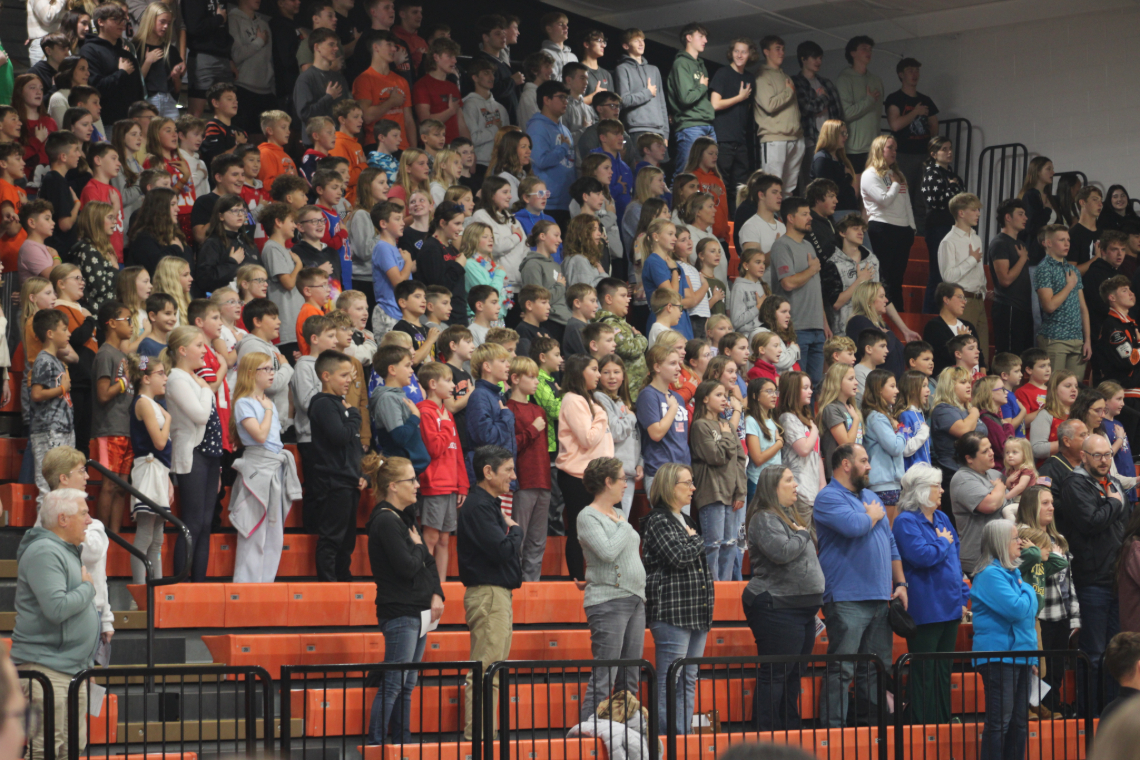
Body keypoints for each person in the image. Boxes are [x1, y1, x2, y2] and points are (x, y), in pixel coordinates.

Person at [813, 444, 907, 728]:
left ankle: (874, 732)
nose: (869, 466)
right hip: (846, 598)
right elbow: (854, 527)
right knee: (842, 669)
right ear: (845, 464)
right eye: (864, 461)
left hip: (880, 597)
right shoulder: (828, 497)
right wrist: (873, 516)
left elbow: (890, 543)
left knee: (877, 669)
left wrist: (900, 582)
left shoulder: (869, 496)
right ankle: (834, 735)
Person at [10, 488, 99, 760]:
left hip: (70, 668)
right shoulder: (44, 552)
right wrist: (88, 588)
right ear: (63, 519)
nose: (89, 520)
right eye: (84, 513)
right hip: (47, 668)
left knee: (71, 747)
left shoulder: (64, 550)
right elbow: (56, 608)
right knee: (46, 748)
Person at [363, 452, 445, 745]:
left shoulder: (404, 517)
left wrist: (437, 592)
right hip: (400, 612)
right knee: (395, 683)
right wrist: (420, 548)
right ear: (393, 486)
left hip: (419, 610)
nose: (417, 485)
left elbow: (428, 563)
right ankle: (376, 746)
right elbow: (408, 566)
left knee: (407, 684)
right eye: (411, 480)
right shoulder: (385, 521)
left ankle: (403, 744)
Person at [743, 465, 823, 730]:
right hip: (776, 606)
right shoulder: (764, 518)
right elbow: (782, 552)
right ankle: (766, 738)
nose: (796, 485)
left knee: (793, 674)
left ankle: (789, 730)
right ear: (772, 487)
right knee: (776, 674)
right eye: (789, 480)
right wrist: (801, 533)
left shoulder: (788, 515)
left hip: (802, 609)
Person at [892, 463, 970, 724]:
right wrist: (942, 541)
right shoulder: (905, 521)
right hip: (926, 608)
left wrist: (961, 598)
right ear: (923, 490)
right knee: (924, 671)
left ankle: (943, 723)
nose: (942, 491)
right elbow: (922, 556)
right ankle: (923, 727)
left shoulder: (942, 518)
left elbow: (955, 561)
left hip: (950, 605)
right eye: (937, 486)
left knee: (943, 671)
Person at [1059, 433, 1129, 713]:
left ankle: (1111, 714)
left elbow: (1121, 527)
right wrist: (1113, 503)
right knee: (1095, 653)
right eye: (1097, 455)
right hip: (1091, 580)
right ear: (1083, 456)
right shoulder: (1074, 484)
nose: (1104, 460)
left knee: (1115, 653)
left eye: (1108, 455)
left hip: (1115, 578)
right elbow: (1090, 522)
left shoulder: (1111, 483)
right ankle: (1089, 715)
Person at [642, 462, 713, 736]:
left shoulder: (687, 520)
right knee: (671, 678)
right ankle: (666, 739)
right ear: (671, 487)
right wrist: (696, 541)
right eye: (687, 483)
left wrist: (693, 538)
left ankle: (683, 740)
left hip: (697, 610)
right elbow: (678, 557)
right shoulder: (658, 520)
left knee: (689, 678)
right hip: (672, 611)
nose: (693, 488)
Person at [456, 445, 521, 740]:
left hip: (495, 593)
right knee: (486, 671)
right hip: (489, 594)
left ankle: (485, 738)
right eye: (508, 469)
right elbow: (500, 550)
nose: (513, 475)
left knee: (492, 670)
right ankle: (479, 740)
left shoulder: (486, 504)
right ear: (488, 472)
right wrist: (515, 531)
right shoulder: (479, 506)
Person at [575, 456, 646, 720]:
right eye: (622, 479)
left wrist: (621, 523)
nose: (626, 485)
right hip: (608, 600)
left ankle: (625, 739)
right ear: (607, 482)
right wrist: (624, 526)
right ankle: (587, 742)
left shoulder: (619, 515)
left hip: (635, 598)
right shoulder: (588, 516)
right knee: (604, 676)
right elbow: (607, 551)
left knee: (630, 677)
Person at [771, 196, 827, 387]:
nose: (809, 218)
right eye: (804, 214)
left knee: (815, 383)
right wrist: (811, 270)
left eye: (809, 214)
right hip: (796, 327)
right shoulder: (782, 245)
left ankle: (808, 418)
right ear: (791, 218)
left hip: (816, 327)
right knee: (797, 385)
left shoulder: (809, 245)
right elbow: (787, 283)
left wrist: (824, 322)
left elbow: (815, 288)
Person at [861, 135, 916, 313]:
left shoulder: (898, 174)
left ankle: (898, 317)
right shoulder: (870, 174)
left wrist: (912, 228)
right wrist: (893, 185)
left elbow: (907, 202)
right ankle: (881, 316)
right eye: (890, 148)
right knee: (882, 278)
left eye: (895, 149)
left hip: (902, 230)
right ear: (879, 149)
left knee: (897, 279)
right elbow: (883, 201)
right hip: (882, 229)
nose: (894, 152)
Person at [884, 58, 938, 227]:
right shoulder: (895, 98)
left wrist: (931, 148)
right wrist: (915, 112)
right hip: (903, 155)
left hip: (923, 154)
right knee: (902, 197)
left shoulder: (925, 99)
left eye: (916, 71)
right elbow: (895, 124)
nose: (914, 74)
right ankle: (904, 233)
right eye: (910, 71)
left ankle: (920, 237)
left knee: (921, 201)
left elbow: (934, 125)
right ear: (901, 75)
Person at [1035, 224, 1092, 376]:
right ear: (1048, 243)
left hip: (1077, 339)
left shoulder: (1073, 270)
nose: (1067, 243)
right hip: (1055, 338)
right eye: (1062, 240)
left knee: (1074, 389)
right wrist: (1069, 285)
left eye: (1068, 239)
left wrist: (1087, 340)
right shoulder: (1044, 268)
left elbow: (1083, 309)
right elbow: (1049, 306)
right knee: (1054, 388)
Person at [950, 432, 1007, 577]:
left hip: (1003, 555)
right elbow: (990, 504)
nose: (992, 453)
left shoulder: (995, 474)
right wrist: (1000, 487)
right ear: (969, 458)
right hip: (980, 560)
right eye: (985, 451)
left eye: (991, 448)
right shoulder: (963, 478)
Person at [754, 36, 803, 195]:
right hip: (774, 138)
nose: (782, 52)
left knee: (788, 189)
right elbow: (769, 105)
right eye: (777, 49)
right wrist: (789, 92)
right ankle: (770, 219)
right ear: (766, 52)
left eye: (783, 49)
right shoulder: (762, 76)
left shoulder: (785, 76)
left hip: (795, 138)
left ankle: (784, 219)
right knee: (772, 187)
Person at [665, 23, 714, 180]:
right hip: (690, 126)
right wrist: (701, 87)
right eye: (701, 36)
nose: (705, 40)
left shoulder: (701, 65)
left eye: (705, 37)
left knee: (706, 176)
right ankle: (677, 205)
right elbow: (686, 98)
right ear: (689, 38)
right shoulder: (681, 64)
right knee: (685, 175)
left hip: (707, 124)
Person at [989, 198, 1034, 356]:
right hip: (1008, 307)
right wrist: (1022, 259)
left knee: (1022, 358)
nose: (1025, 218)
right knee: (1009, 358)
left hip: (1023, 308)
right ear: (1008, 217)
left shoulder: (1020, 243)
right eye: (1020, 214)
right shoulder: (1000, 243)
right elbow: (1005, 280)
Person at [834, 36, 883, 174]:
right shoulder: (844, 79)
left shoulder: (876, 80)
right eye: (864, 48)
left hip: (874, 146)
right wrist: (868, 100)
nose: (868, 52)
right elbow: (846, 113)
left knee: (875, 188)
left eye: (870, 49)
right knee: (855, 189)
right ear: (853, 53)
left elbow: (878, 114)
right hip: (853, 148)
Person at [923, 282, 986, 375]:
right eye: (960, 297)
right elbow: (942, 356)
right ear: (946, 299)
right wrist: (960, 340)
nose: (964, 301)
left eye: (964, 298)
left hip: (976, 381)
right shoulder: (933, 326)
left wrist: (983, 378)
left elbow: (980, 356)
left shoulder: (968, 325)